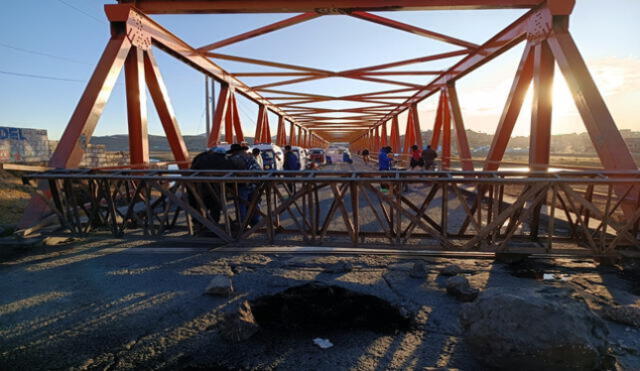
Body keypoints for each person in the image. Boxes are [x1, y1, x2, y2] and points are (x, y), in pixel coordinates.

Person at [188, 147, 233, 226]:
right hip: (214, 187)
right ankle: (212, 225)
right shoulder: (223, 159)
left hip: (197, 186)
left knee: (195, 204)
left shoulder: (200, 157)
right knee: (215, 206)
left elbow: (193, 169)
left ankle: (198, 223)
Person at [227, 143, 262, 227]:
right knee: (254, 202)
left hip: (243, 184)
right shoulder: (250, 156)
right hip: (255, 183)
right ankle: (255, 221)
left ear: (234, 151)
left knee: (241, 203)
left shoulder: (234, 158)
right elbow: (259, 169)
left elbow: (230, 173)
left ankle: (243, 223)